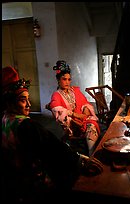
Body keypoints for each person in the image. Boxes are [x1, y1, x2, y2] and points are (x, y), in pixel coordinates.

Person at [2, 66, 103, 202]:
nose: (29, 105)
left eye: (28, 99)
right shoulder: (26, 125)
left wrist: (83, 112)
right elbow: (52, 147)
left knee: (91, 128)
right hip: (33, 183)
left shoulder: (5, 119)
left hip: (16, 182)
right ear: (9, 103)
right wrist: (80, 161)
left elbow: (84, 103)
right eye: (22, 100)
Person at [45, 60, 100, 157]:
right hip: (72, 124)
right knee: (90, 127)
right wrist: (76, 115)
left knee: (91, 125)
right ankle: (92, 157)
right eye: (64, 79)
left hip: (83, 119)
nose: (67, 82)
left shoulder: (74, 90)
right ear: (58, 80)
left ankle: (92, 153)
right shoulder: (56, 95)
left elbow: (85, 102)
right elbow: (58, 110)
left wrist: (85, 109)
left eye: (69, 79)